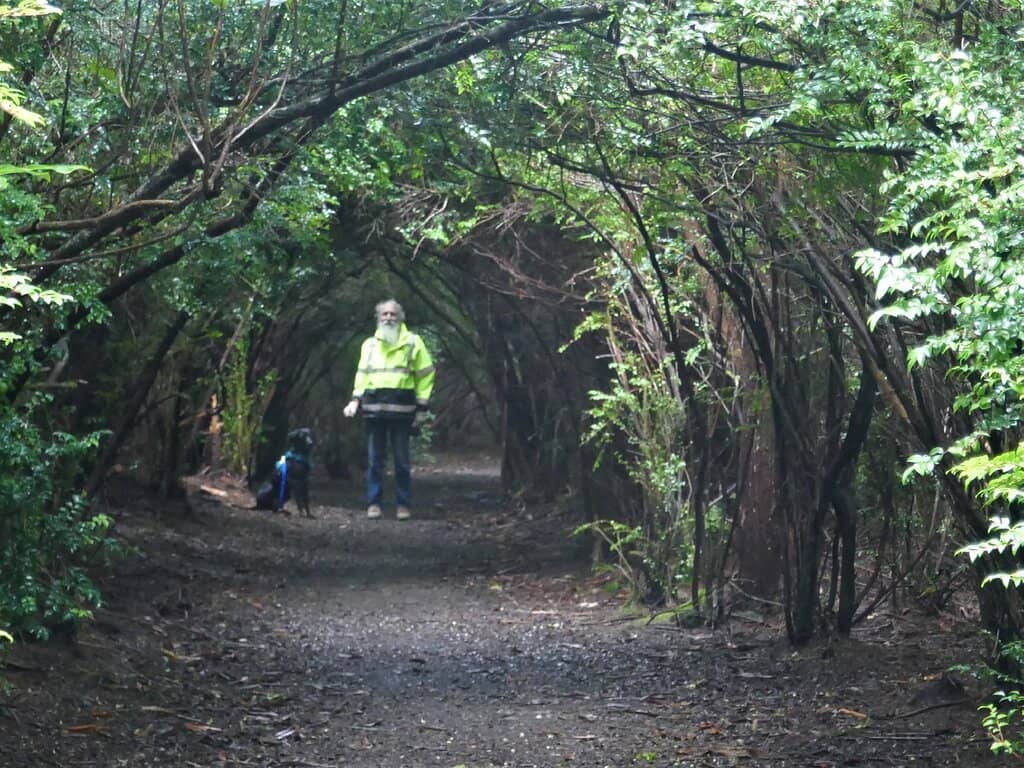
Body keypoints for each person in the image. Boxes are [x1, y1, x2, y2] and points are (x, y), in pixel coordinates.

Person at [343, 299, 434, 520]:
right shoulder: (369, 345)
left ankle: (404, 505)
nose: (388, 318)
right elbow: (362, 374)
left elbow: (426, 375)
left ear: (400, 317)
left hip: (402, 411)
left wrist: (422, 408)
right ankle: (374, 504)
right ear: (378, 318)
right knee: (375, 461)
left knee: (402, 462)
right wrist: (355, 400)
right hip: (374, 410)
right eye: (384, 314)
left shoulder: (414, 342)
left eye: (393, 314)